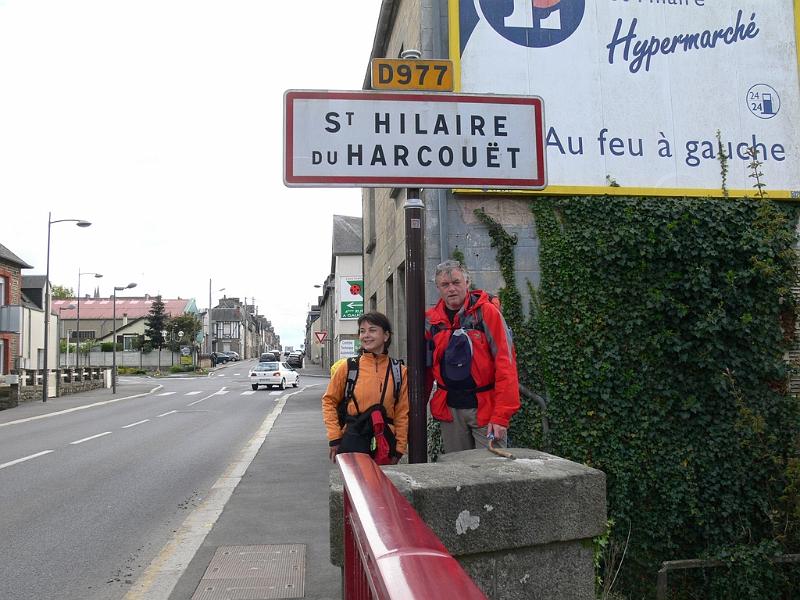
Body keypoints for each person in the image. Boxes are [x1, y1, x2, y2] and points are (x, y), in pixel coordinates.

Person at [425, 259, 520, 452]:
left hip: (486, 409)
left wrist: (501, 416)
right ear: (438, 288)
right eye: (445, 284)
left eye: (456, 283)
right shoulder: (432, 321)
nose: (451, 289)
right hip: (451, 412)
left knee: (492, 473)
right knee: (458, 473)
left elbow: (506, 364)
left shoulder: (487, 313)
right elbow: (425, 370)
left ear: (467, 283)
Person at [322, 312, 409, 464]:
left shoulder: (399, 371)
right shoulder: (348, 367)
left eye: (372, 330)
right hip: (353, 440)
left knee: (382, 487)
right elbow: (329, 401)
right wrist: (335, 437)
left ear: (386, 336)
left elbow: (402, 412)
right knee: (356, 486)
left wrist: (399, 447)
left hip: (386, 443)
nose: (366, 335)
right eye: (362, 331)